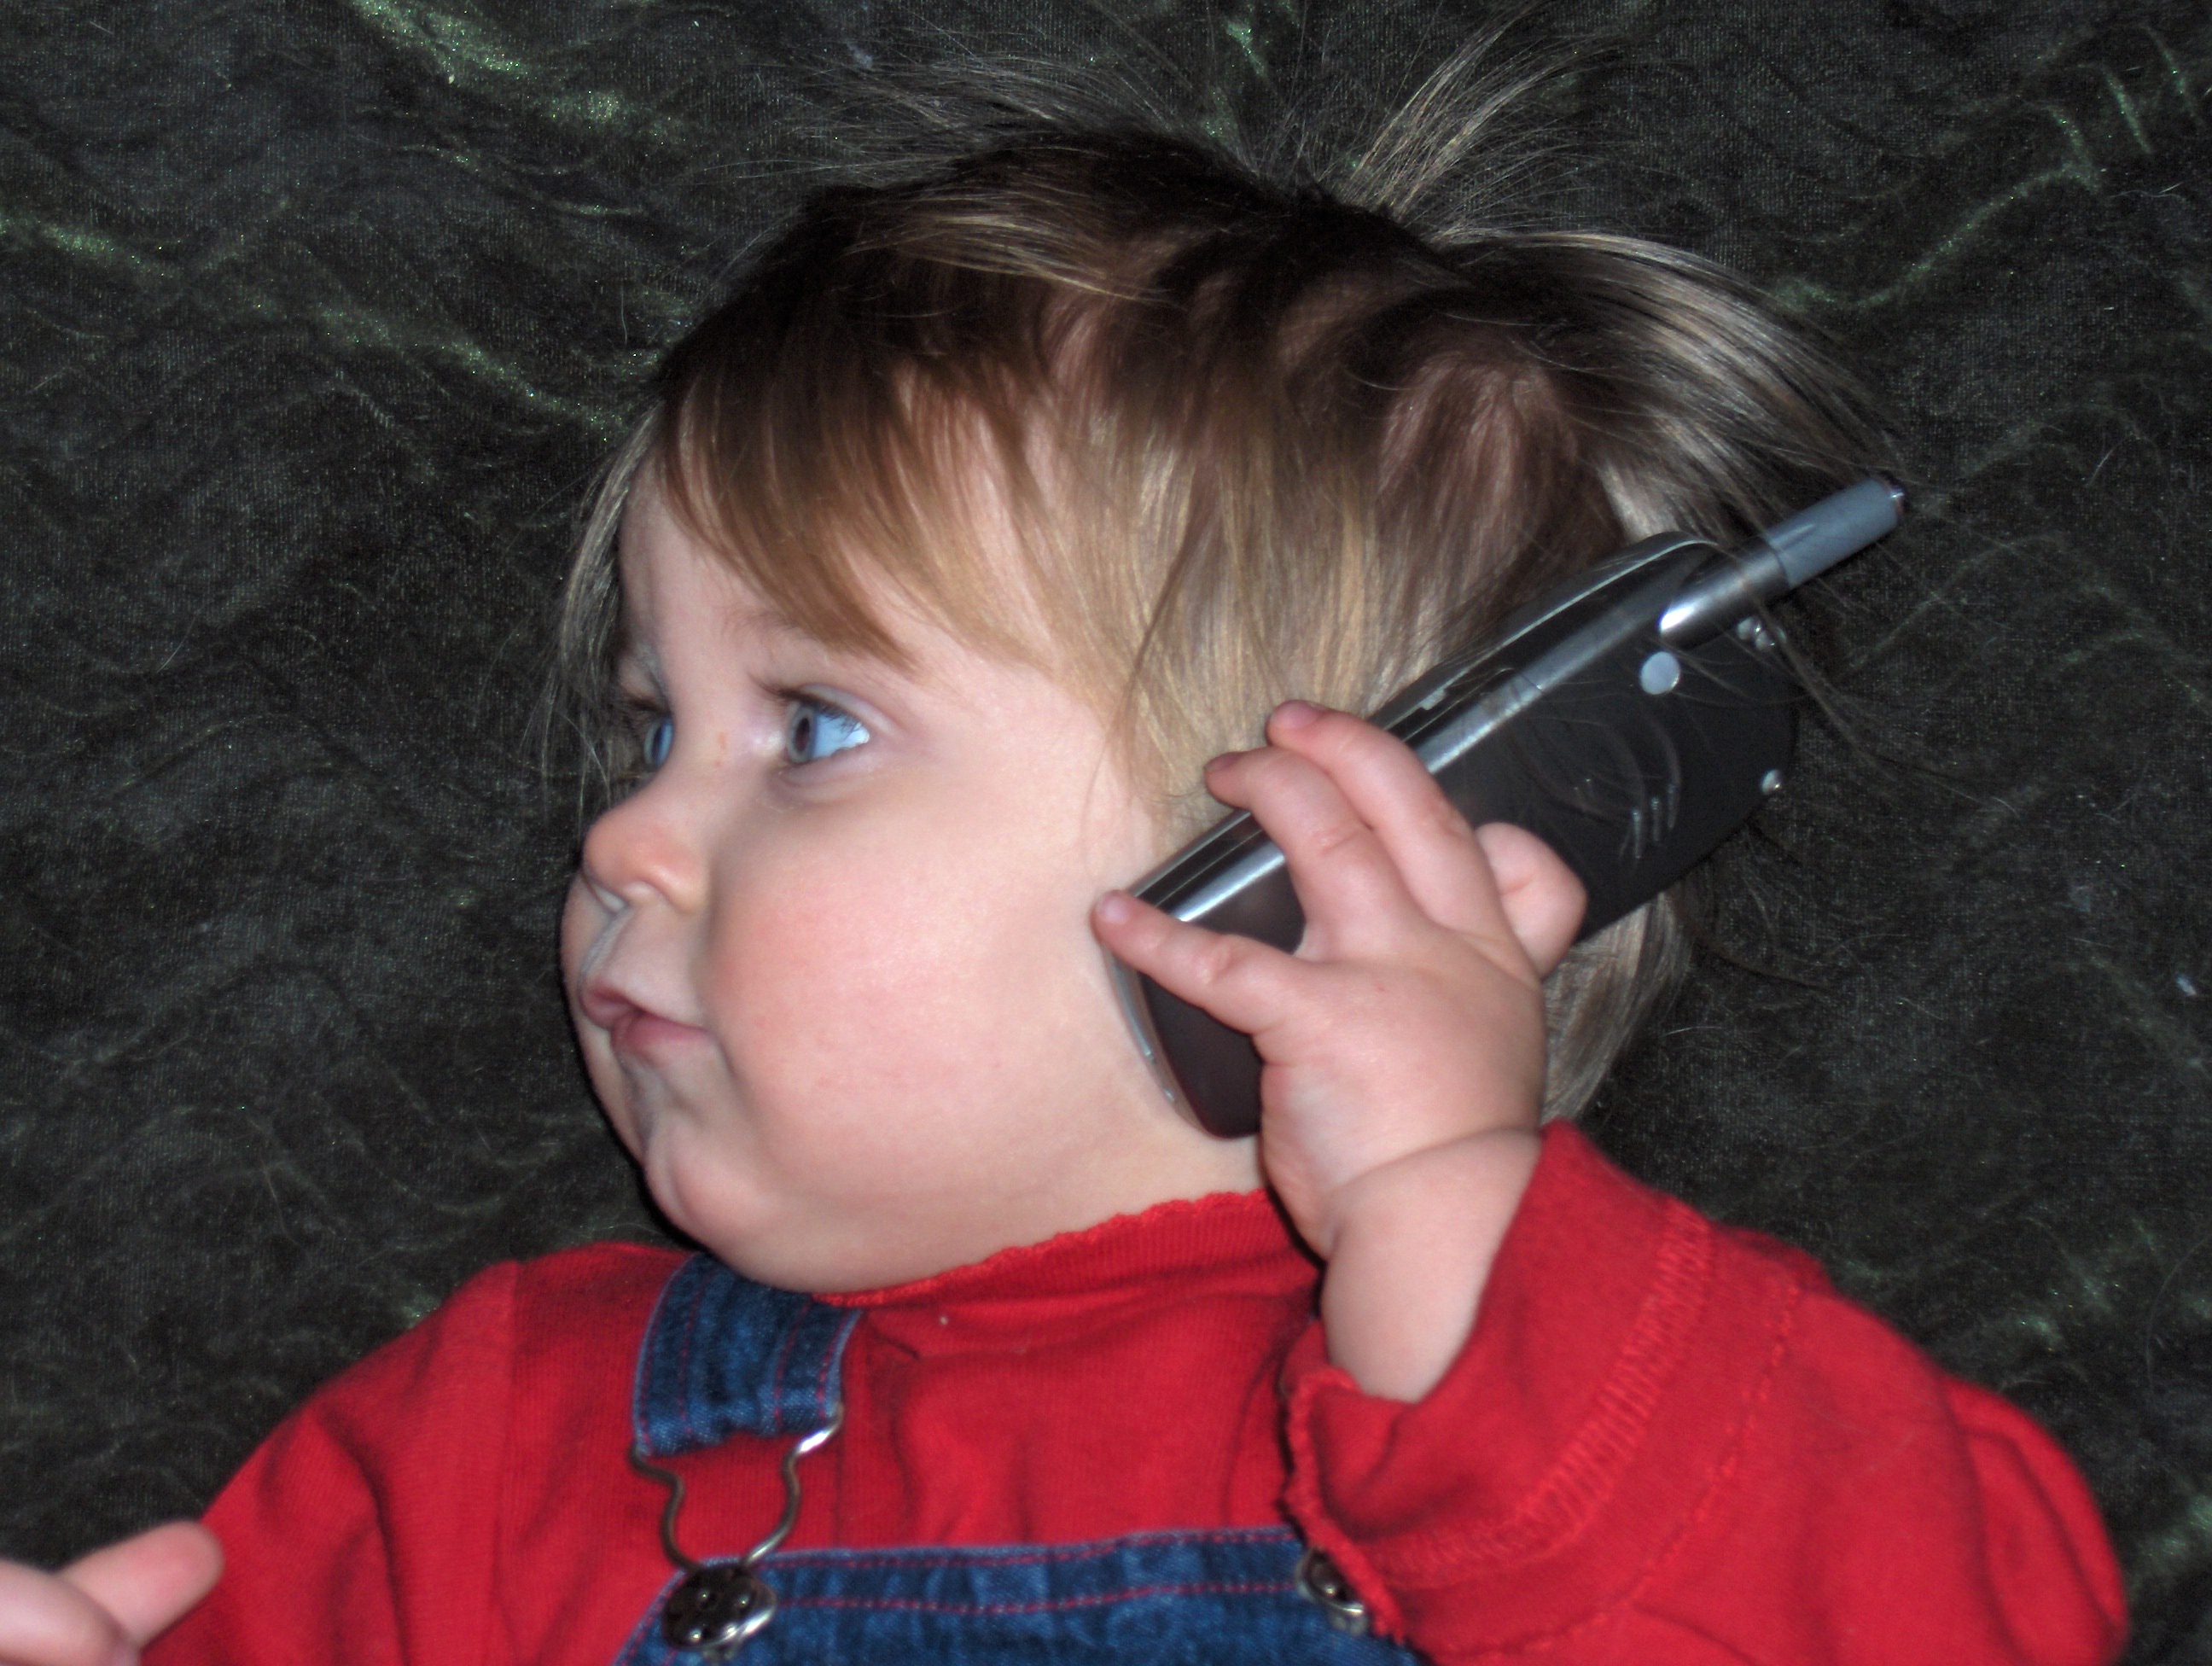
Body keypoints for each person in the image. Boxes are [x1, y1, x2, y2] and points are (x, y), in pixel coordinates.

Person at [0, 82, 2128, 1666]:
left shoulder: (1597, 1408)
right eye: (652, 726)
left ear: (1296, 876)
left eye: (811, 728)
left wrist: (1459, 1226)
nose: (622, 836)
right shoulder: (492, 1445)